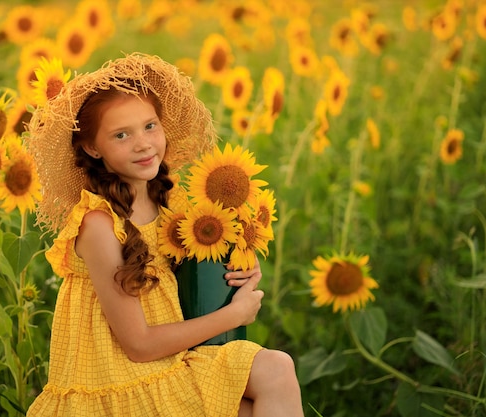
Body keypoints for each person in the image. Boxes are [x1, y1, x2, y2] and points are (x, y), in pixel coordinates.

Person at [25, 53, 304, 417]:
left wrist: (241, 270)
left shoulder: (171, 202)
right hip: (119, 382)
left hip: (174, 360)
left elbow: (194, 279)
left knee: (277, 369)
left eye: (149, 126)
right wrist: (235, 316)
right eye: (121, 135)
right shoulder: (99, 224)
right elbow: (138, 345)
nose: (143, 144)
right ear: (93, 147)